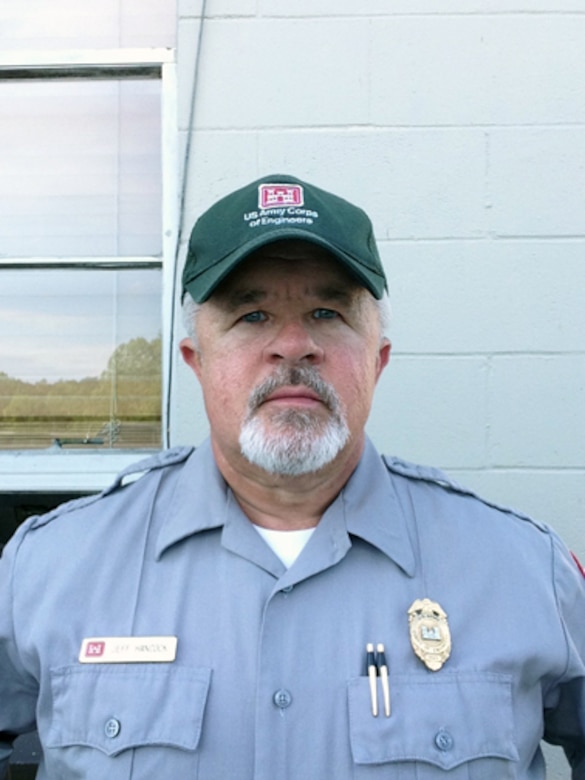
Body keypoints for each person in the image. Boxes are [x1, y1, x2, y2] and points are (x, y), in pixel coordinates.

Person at [0, 173, 584, 780]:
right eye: (251, 315)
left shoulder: (525, 571)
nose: (294, 345)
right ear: (196, 363)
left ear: (377, 359)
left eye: (327, 312)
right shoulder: (47, 569)